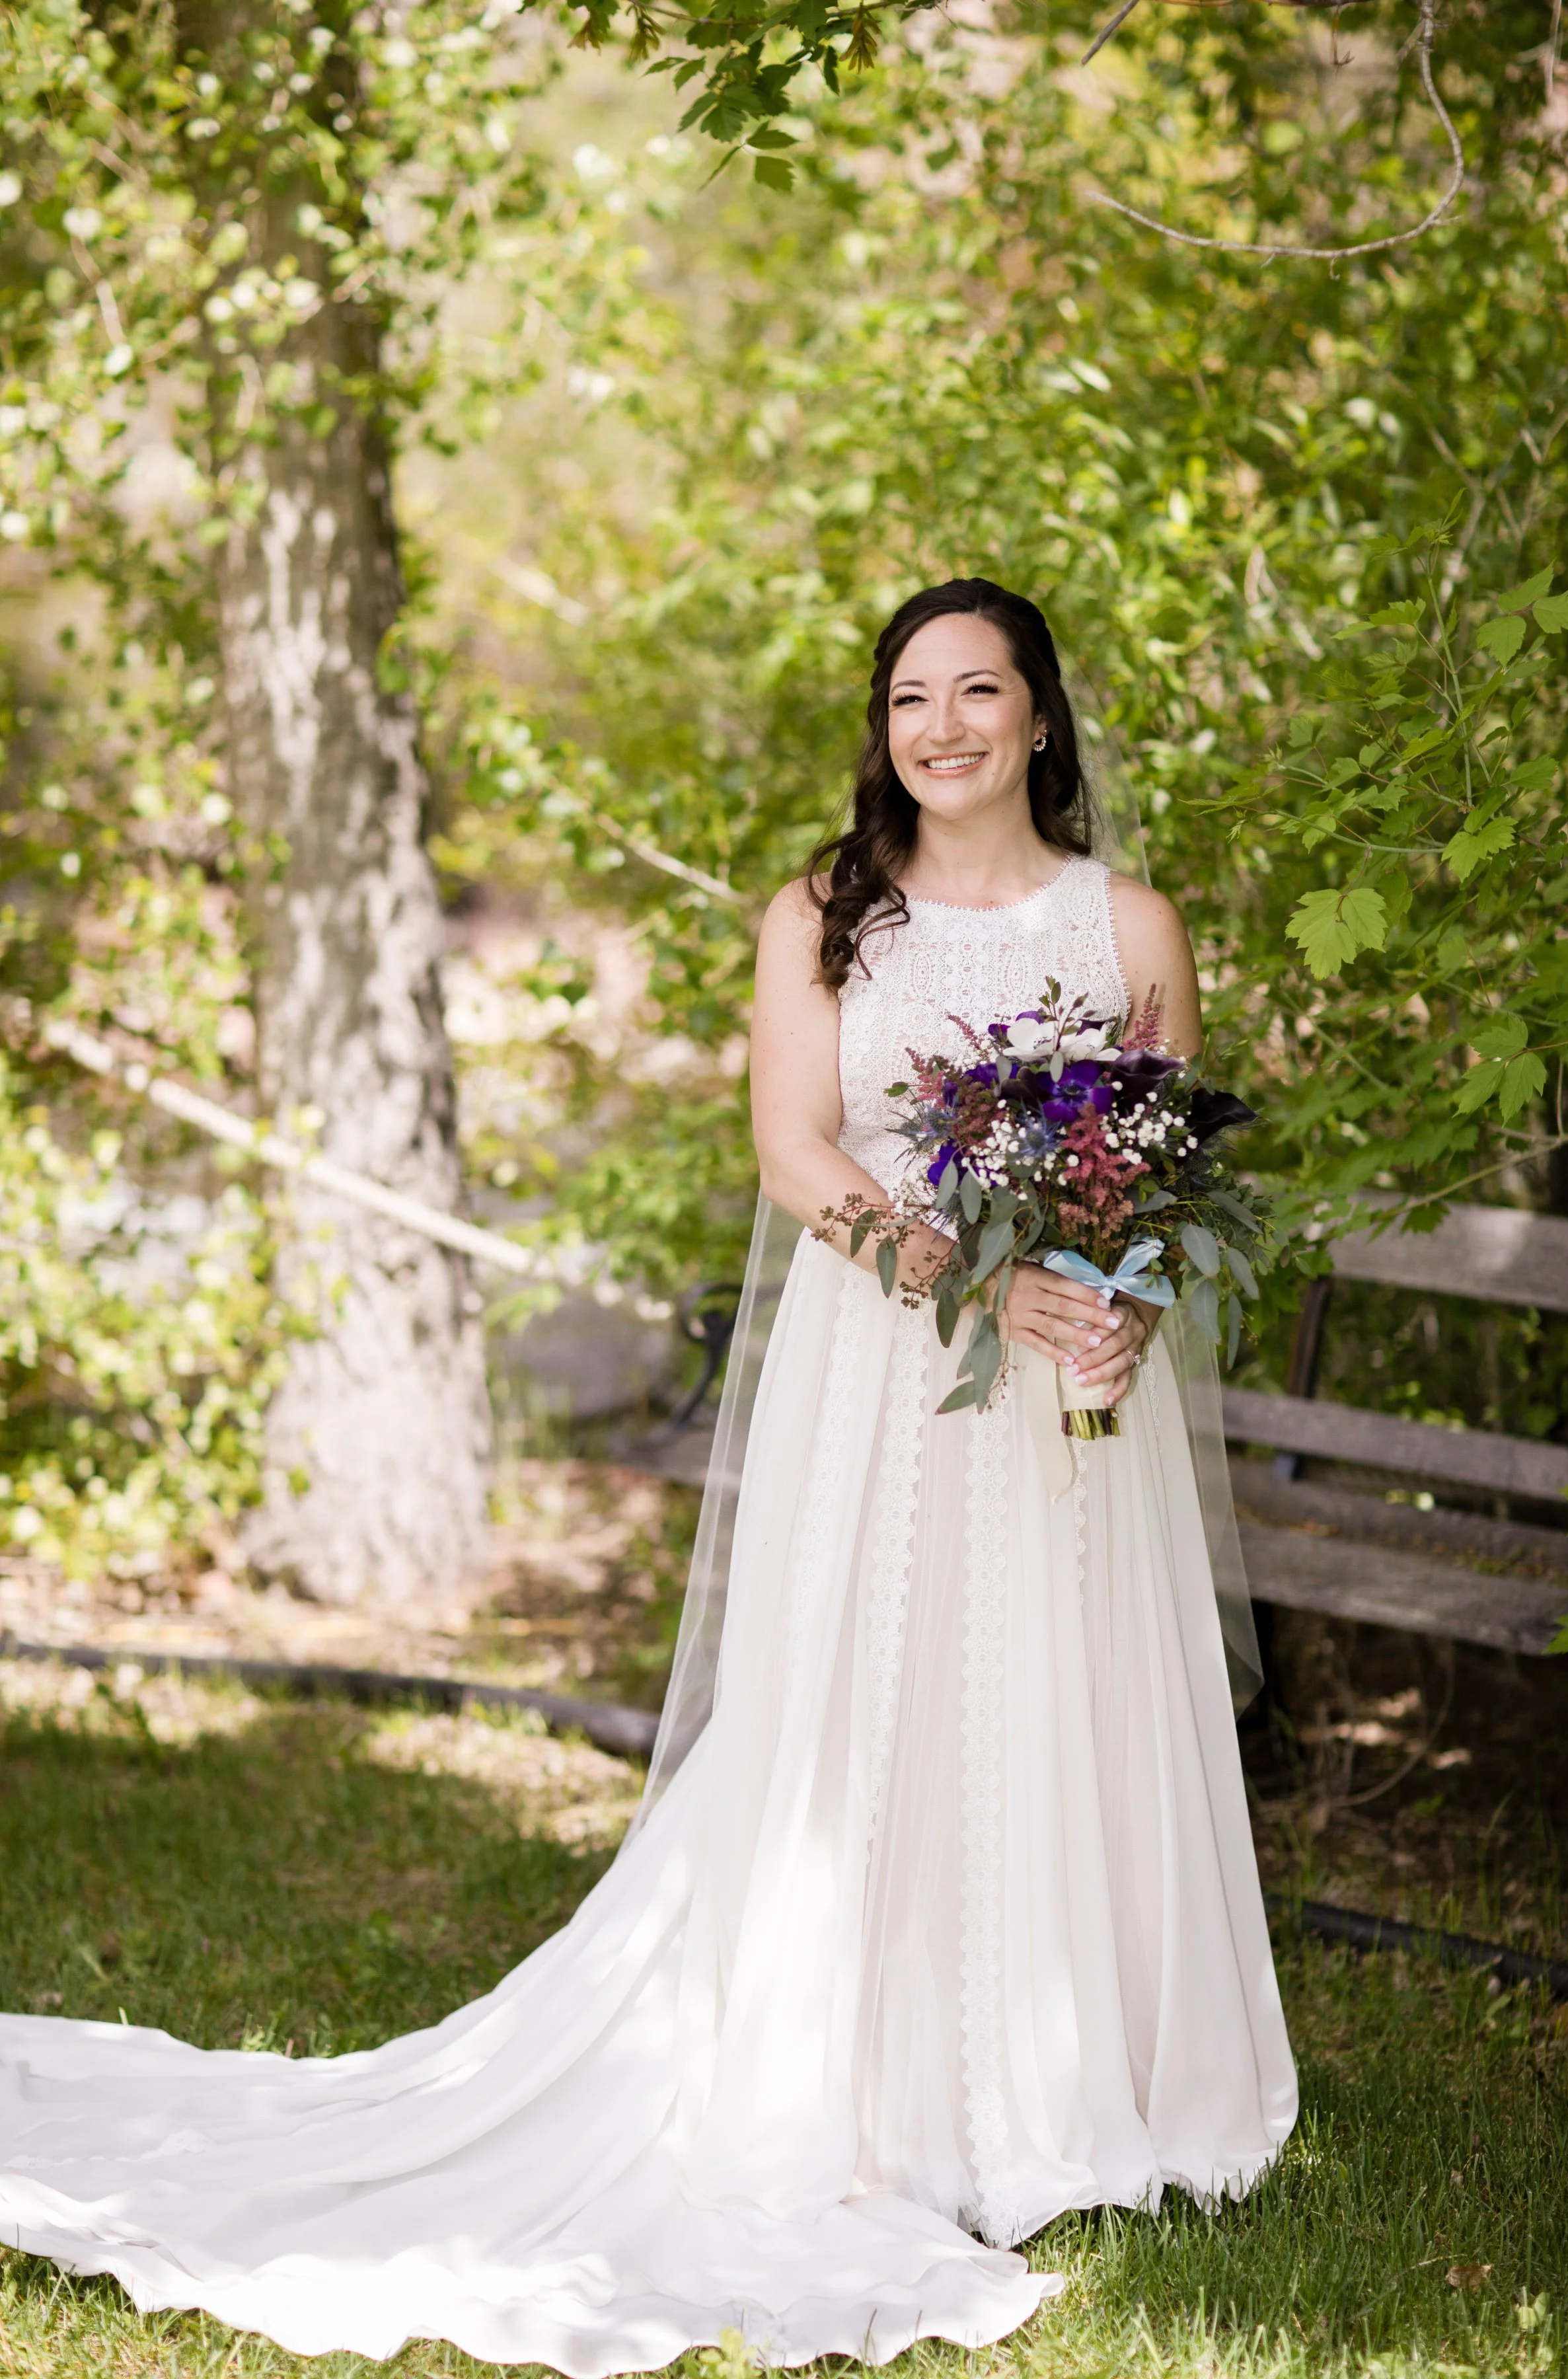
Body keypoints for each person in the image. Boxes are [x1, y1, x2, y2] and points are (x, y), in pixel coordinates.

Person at [0, 578, 1296, 2374]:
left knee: (1070, 1691)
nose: (943, 727)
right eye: (911, 696)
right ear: (885, 727)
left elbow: (1155, 1165)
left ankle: (1083, 2084)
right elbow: (794, 1150)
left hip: (1076, 1384)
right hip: (895, 1361)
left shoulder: (1128, 921)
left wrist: (1118, 1304)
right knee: (872, 1700)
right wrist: (977, 1276)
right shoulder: (826, 917)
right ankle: (869, 2087)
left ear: (1042, 716)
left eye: (978, 691)